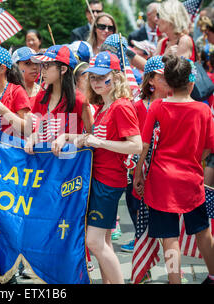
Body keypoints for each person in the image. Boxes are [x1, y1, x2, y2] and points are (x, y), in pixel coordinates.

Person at [134, 55, 214, 284]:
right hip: (191, 181)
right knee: (202, 232)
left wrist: (139, 173)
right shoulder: (203, 109)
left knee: (169, 238)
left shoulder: (158, 106)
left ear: (168, 81)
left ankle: (174, 280)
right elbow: (208, 150)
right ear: (191, 82)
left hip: (161, 182)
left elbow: (145, 144)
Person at [73, 51, 142, 284]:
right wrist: (81, 139)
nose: (97, 82)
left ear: (116, 77)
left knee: (93, 242)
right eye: (93, 77)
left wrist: (99, 142)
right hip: (100, 179)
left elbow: (136, 146)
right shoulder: (105, 107)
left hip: (108, 181)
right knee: (102, 241)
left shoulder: (121, 106)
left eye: (103, 77)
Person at [121, 56, 169, 257]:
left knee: (165, 214)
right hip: (139, 162)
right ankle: (142, 245)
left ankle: (166, 249)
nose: (167, 80)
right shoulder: (138, 105)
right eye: (161, 76)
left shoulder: (172, 103)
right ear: (150, 80)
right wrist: (135, 165)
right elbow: (134, 136)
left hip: (163, 164)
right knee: (135, 203)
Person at [24, 45, 93, 154]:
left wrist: (66, 138)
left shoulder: (80, 100)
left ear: (63, 69)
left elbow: (92, 136)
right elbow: (40, 127)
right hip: (45, 163)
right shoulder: (41, 96)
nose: (42, 71)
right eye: (42, 65)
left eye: (47, 65)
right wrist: (34, 135)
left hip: (69, 165)